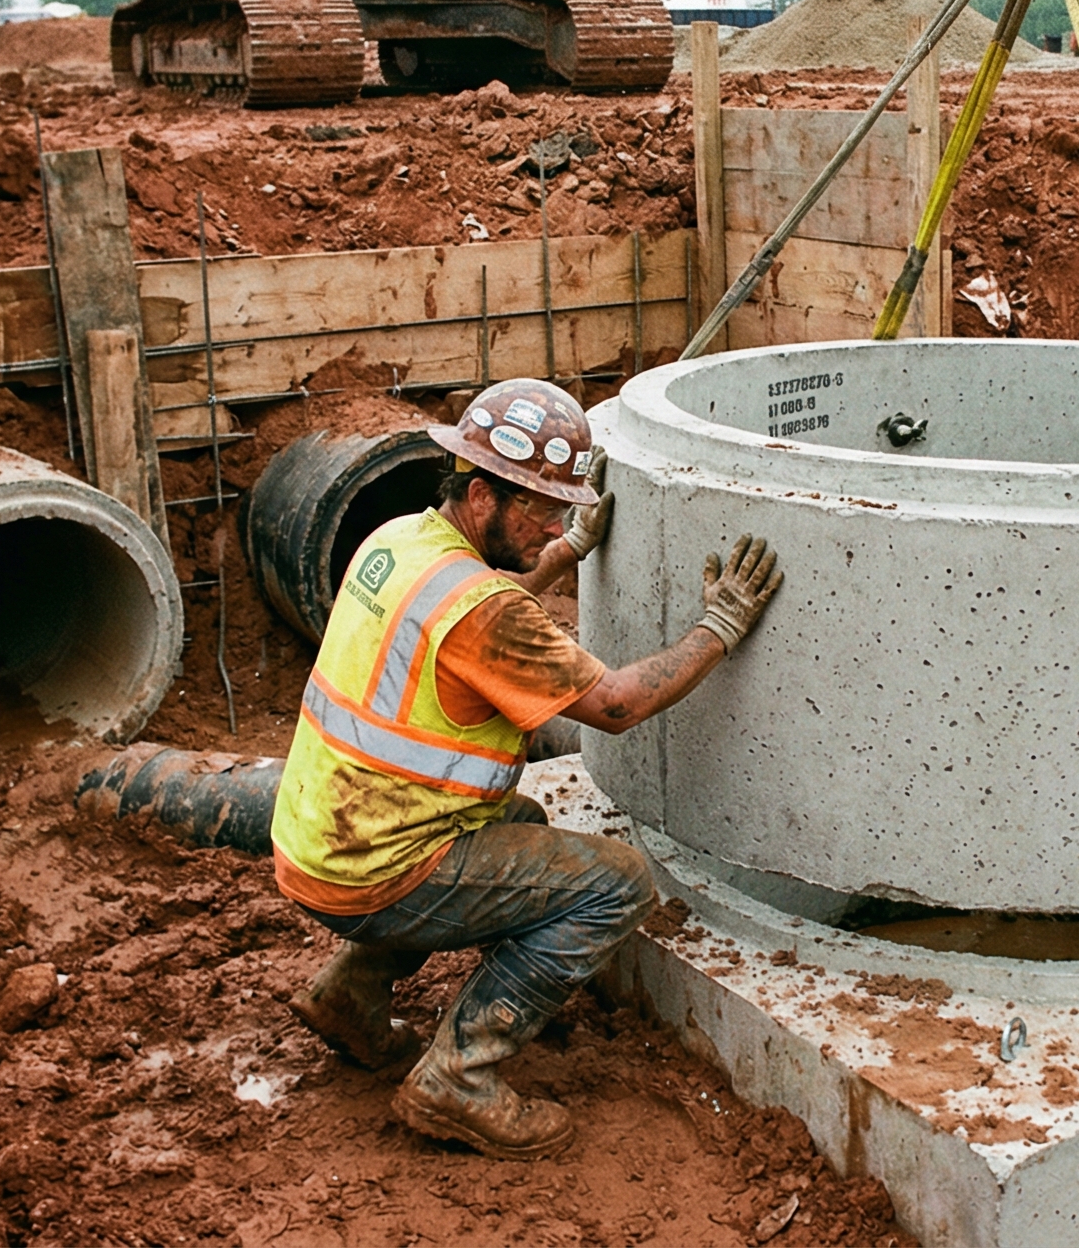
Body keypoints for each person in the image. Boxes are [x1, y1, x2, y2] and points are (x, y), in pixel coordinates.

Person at [269, 377, 786, 1157]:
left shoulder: (399, 541)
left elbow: (476, 616)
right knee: (617, 883)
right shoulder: (488, 613)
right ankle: (459, 1078)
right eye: (541, 510)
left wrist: (566, 551)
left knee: (520, 821)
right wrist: (717, 627)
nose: (555, 523)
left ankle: (350, 994)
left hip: (323, 840)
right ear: (481, 494)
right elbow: (615, 704)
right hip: (376, 872)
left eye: (561, 509)